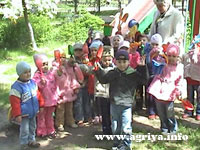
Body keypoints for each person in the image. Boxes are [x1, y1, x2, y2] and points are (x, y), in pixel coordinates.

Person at [95, 50, 149, 150]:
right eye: (119, 62)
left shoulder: (133, 73)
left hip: (127, 105)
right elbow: (103, 80)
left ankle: (126, 144)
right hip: (114, 104)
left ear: (128, 62)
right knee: (115, 126)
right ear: (115, 62)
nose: (122, 64)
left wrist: (142, 67)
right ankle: (116, 143)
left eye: (124, 62)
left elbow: (145, 81)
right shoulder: (113, 72)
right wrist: (98, 70)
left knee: (126, 126)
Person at [147, 44, 185, 134]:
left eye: (174, 56)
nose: (171, 58)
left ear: (178, 57)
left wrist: (178, 90)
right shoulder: (163, 63)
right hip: (159, 90)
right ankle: (164, 126)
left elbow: (179, 81)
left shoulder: (179, 68)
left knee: (169, 111)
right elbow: (152, 58)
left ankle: (172, 127)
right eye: (169, 55)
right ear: (166, 55)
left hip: (169, 92)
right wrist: (156, 51)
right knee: (161, 111)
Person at [9, 61, 44, 150]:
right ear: (19, 74)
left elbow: (38, 94)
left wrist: (41, 105)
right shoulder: (16, 87)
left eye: (29, 71)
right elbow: (15, 103)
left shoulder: (32, 83)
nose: (28, 74)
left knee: (33, 127)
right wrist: (17, 115)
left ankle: (31, 140)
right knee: (24, 129)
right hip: (24, 113)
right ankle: (23, 143)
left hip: (33, 111)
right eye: (25, 72)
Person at [54, 49, 84, 131]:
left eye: (64, 57)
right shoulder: (54, 68)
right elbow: (54, 79)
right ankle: (60, 123)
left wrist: (75, 87)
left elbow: (72, 78)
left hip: (68, 91)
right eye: (60, 57)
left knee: (69, 109)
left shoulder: (68, 68)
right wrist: (58, 71)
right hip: (60, 92)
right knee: (60, 110)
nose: (63, 59)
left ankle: (70, 121)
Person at [33, 54, 58, 138]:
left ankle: (50, 130)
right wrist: (41, 82)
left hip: (51, 100)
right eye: (43, 64)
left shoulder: (50, 74)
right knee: (41, 117)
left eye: (47, 64)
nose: (45, 66)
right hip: (42, 102)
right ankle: (41, 131)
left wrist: (56, 96)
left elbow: (54, 85)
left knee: (49, 116)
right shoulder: (36, 75)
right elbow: (35, 86)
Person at [94, 46, 115, 134]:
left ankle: (113, 129)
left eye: (109, 60)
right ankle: (106, 130)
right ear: (101, 60)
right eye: (105, 60)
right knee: (104, 113)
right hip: (101, 94)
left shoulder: (114, 69)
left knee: (112, 113)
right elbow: (87, 70)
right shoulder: (97, 68)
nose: (107, 62)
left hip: (111, 94)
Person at [183, 34, 200, 120]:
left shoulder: (197, 55)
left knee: (199, 97)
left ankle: (199, 112)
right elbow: (186, 60)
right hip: (190, 78)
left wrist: (196, 53)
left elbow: (195, 60)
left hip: (198, 79)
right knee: (189, 97)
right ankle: (189, 111)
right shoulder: (190, 53)